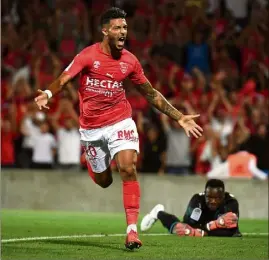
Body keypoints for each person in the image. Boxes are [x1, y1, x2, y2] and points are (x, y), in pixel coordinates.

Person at [34, 7, 203, 249]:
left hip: (119, 121)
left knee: (127, 167)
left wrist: (179, 117)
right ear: (105, 31)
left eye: (125, 27)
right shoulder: (87, 55)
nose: (123, 31)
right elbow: (64, 78)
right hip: (91, 129)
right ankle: (94, 165)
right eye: (117, 27)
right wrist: (48, 93)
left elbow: (151, 94)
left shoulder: (130, 61)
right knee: (104, 181)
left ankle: (132, 231)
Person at [141, 179, 241, 237]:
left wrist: (204, 231)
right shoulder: (197, 201)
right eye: (209, 197)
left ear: (223, 196)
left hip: (204, 227)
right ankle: (158, 212)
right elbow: (189, 226)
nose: (213, 201)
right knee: (181, 229)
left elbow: (232, 230)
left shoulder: (231, 202)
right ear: (205, 194)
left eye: (217, 198)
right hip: (198, 224)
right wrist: (213, 225)